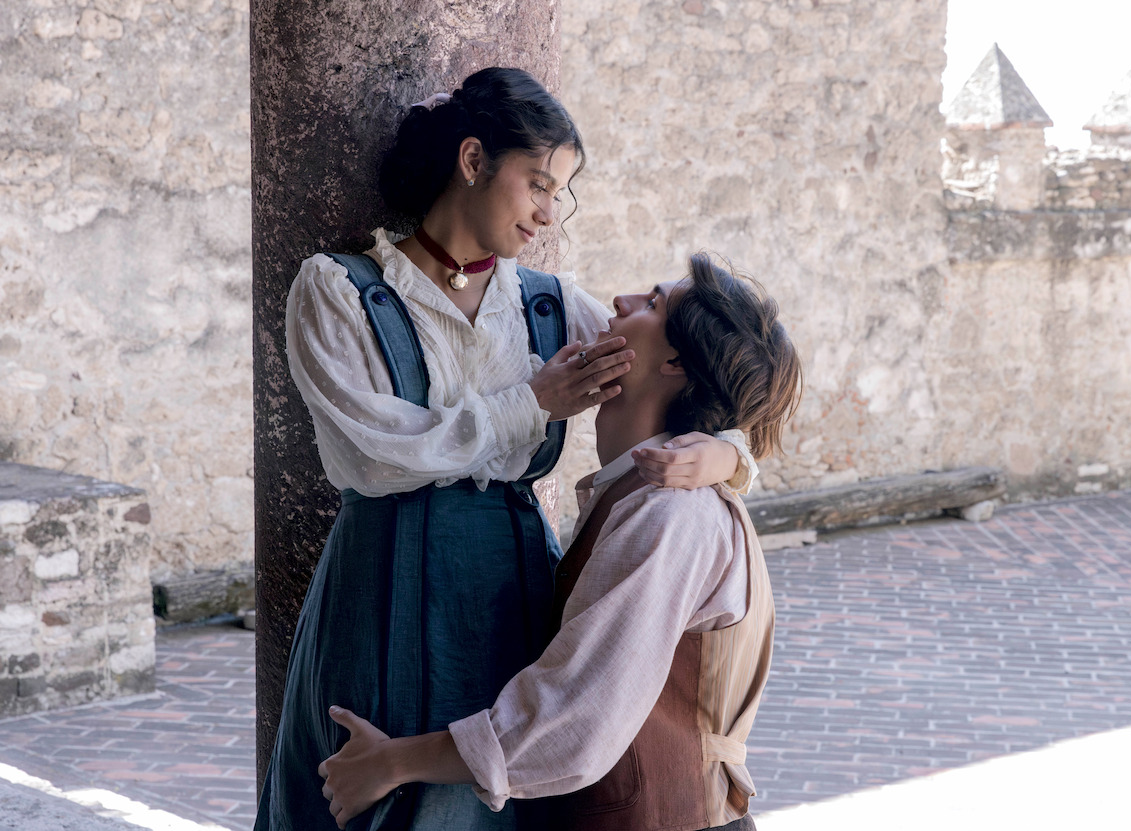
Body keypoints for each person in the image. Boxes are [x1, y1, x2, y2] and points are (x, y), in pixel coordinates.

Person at [254, 68, 754, 831]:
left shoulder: (551, 307)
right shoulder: (338, 291)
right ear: (472, 160)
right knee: (360, 792)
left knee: (486, 795)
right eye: (538, 184)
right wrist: (532, 403)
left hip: (509, 602)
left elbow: (717, 374)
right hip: (377, 581)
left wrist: (727, 458)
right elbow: (374, 457)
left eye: (560, 194)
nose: (548, 214)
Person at [317, 252, 802, 831]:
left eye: (651, 303)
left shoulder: (672, 513)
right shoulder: (648, 492)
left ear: (674, 360)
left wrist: (393, 762)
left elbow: (577, 717)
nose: (619, 302)